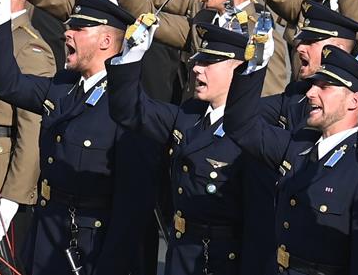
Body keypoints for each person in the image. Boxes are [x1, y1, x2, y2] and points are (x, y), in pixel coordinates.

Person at [0, 0, 160, 275]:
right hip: (46, 237)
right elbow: (6, 83)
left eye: (79, 28)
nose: (67, 34)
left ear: (105, 40)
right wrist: (0, 18)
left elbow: (132, 206)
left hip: (88, 246)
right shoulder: (63, 86)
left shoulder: (128, 107)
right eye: (69, 26)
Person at [223, 44, 358, 275]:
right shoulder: (300, 143)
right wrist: (255, 65)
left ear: (354, 101)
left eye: (324, 87)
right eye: (313, 85)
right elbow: (241, 126)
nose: (310, 93)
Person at [106, 20, 260, 274]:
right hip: (181, 254)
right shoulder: (189, 115)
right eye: (198, 61)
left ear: (238, 69)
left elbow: (259, 221)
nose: (197, 69)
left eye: (209, 63)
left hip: (222, 261)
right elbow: (129, 110)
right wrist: (131, 57)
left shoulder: (255, 131)